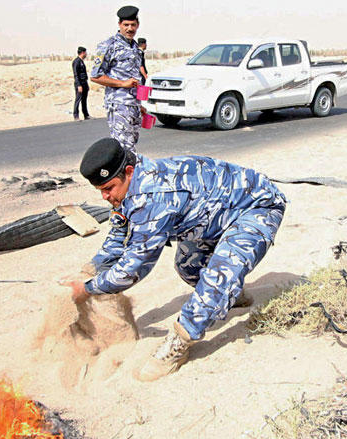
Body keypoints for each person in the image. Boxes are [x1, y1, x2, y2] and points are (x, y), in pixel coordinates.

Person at [67, 138, 287, 381]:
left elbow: (134, 267)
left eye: (109, 188)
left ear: (128, 172)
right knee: (188, 266)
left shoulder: (153, 197)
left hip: (256, 208)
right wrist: (91, 269)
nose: (105, 196)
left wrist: (88, 289)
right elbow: (119, 235)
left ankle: (180, 342)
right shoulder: (128, 187)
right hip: (213, 218)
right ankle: (232, 296)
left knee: (218, 276)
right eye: (100, 190)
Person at [90, 5, 143, 150]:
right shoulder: (109, 45)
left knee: (131, 144)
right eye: (126, 25)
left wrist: (139, 105)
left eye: (133, 25)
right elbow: (95, 76)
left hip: (133, 105)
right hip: (119, 104)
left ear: (138, 25)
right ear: (119, 24)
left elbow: (133, 77)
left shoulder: (135, 47)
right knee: (124, 147)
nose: (130, 29)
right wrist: (122, 83)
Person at [72, 46, 90, 120]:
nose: (86, 54)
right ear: (83, 53)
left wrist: (86, 85)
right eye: (85, 53)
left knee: (84, 100)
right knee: (78, 99)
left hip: (84, 83)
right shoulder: (76, 61)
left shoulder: (81, 61)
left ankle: (86, 115)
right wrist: (79, 85)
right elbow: (76, 75)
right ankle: (76, 115)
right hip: (79, 83)